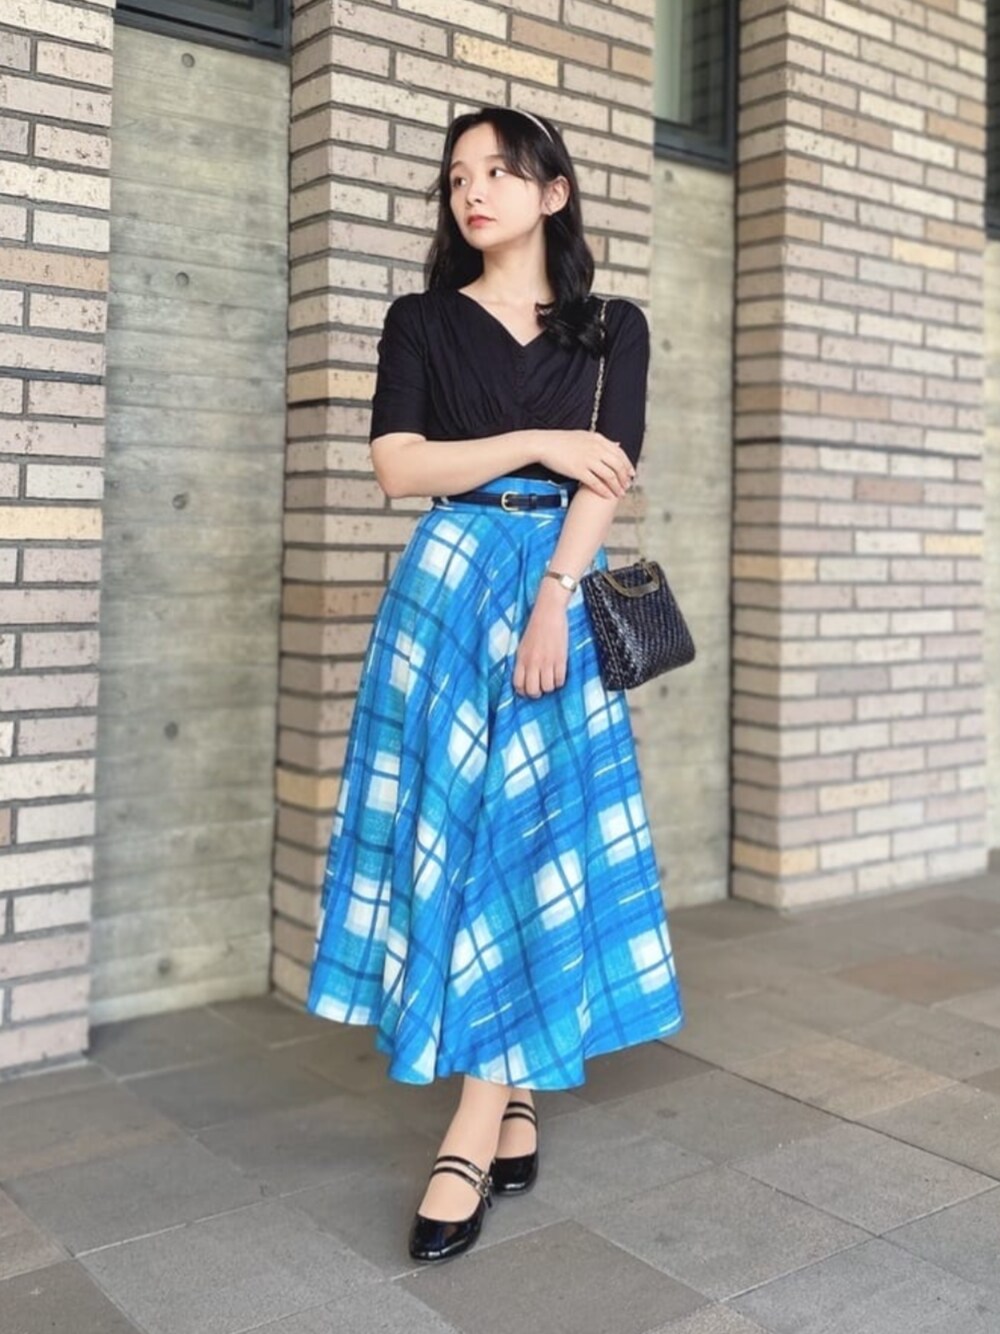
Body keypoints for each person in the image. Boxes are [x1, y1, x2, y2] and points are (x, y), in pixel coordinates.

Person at [305, 103, 685, 1264]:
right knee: (459, 829)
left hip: (550, 590)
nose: (473, 191)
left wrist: (556, 595)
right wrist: (533, 442)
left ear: (552, 191)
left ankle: (471, 1129)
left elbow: (608, 473)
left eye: (500, 172)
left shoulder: (613, 327)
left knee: (530, 836)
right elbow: (396, 465)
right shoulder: (421, 319)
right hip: (446, 584)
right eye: (457, 176)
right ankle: (509, 1088)